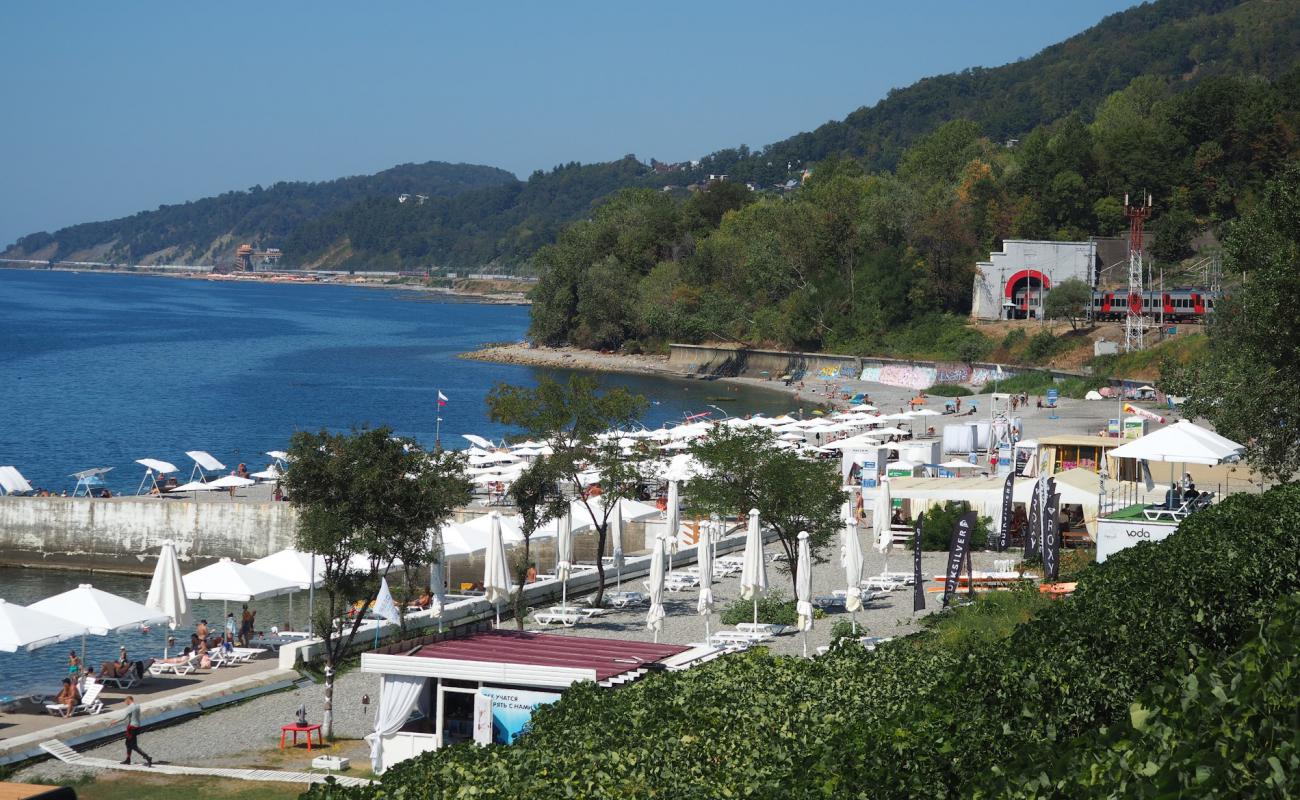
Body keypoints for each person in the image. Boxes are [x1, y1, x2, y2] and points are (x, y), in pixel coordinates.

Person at [120, 696, 152, 766]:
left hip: (131, 727)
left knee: (134, 746)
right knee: (128, 743)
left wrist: (114, 721)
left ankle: (147, 757)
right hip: (137, 727)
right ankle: (128, 759)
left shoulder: (130, 707)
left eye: (125, 701)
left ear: (128, 700)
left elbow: (123, 717)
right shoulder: (137, 706)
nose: (125, 703)